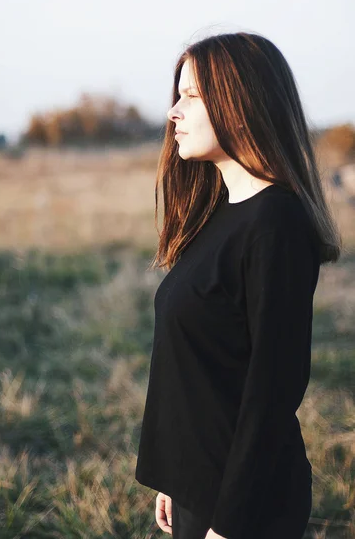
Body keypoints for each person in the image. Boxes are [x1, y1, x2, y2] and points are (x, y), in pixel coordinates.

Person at [134, 31, 342, 539]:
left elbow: (272, 390)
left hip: (245, 504)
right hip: (199, 483)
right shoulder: (219, 214)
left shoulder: (277, 222)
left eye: (192, 95)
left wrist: (229, 522)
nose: (173, 113)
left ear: (239, 102)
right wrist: (176, 475)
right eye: (177, 95)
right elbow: (203, 371)